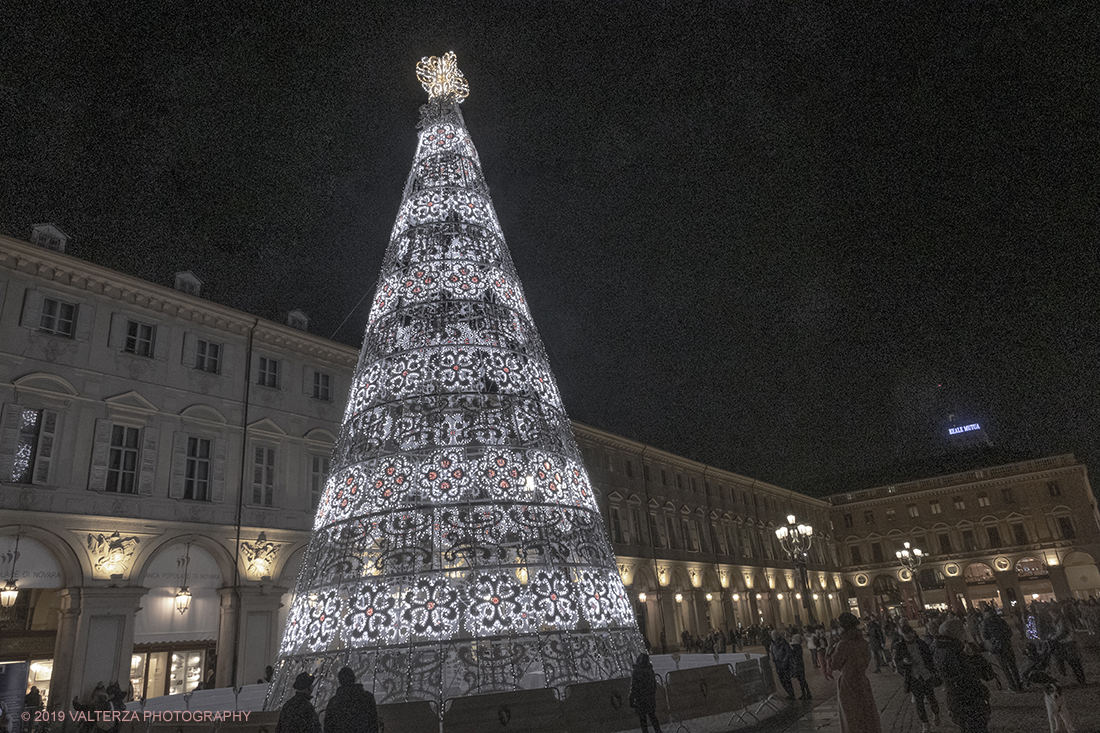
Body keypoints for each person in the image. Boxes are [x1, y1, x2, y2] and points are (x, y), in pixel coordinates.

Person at [933, 618, 994, 733]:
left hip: (955, 700)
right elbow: (985, 674)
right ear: (956, 633)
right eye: (962, 631)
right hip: (970, 700)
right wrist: (974, 656)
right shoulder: (957, 652)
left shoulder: (939, 648)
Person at [828, 612, 881, 733]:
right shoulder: (862, 643)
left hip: (848, 684)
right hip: (862, 681)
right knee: (866, 713)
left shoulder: (843, 644)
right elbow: (867, 661)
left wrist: (831, 647)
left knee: (851, 717)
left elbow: (833, 664)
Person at [893, 622, 941, 733]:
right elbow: (898, 663)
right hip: (914, 677)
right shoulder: (900, 647)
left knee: (931, 698)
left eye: (910, 634)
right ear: (903, 636)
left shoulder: (921, 643)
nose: (909, 637)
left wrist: (933, 670)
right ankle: (925, 725)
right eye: (906, 636)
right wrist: (904, 663)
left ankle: (936, 714)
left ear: (913, 633)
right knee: (919, 702)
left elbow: (929, 657)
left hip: (926, 675)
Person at [324, 666, 378, 733]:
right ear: (354, 678)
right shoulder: (367, 698)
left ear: (340, 681)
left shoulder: (334, 702)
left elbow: (328, 728)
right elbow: (374, 723)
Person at [979, 607, 1021, 692]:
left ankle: (1012, 686)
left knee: (1005, 668)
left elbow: (985, 636)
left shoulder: (986, 623)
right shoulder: (1001, 620)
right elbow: (1009, 632)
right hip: (1007, 645)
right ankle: (1019, 685)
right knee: (1013, 666)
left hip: (998, 647)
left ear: (986, 614)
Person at [628, 653, 662, 733]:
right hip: (649, 698)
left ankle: (646, 731)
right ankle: (658, 731)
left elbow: (634, 687)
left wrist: (631, 698)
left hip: (640, 699)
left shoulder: (636, 671)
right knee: (652, 716)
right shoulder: (650, 670)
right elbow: (654, 685)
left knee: (643, 719)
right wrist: (651, 694)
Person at [769, 630, 796, 699]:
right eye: (772, 636)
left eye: (774, 635)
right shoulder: (772, 643)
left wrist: (785, 660)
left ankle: (791, 693)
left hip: (785, 664)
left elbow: (788, 652)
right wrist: (773, 659)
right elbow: (772, 651)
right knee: (781, 679)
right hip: (778, 664)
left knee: (787, 679)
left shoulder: (783, 642)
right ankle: (788, 692)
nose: (773, 637)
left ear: (777, 635)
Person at [788, 633, 812, 699]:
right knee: (801, 680)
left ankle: (806, 693)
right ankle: (805, 693)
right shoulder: (798, 647)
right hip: (799, 664)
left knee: (801, 680)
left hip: (798, 665)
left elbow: (793, 654)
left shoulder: (796, 647)